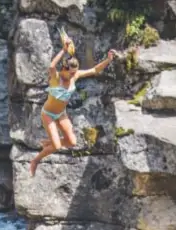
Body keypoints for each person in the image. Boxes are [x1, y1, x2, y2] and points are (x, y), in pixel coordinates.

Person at [30, 39, 116, 176]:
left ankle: (49, 142)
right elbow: (52, 66)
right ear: (64, 69)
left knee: (72, 142)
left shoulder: (74, 76)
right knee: (57, 146)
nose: (73, 75)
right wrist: (64, 50)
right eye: (71, 72)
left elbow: (94, 70)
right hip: (48, 114)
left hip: (61, 113)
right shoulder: (56, 78)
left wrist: (108, 60)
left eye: (74, 72)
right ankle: (35, 161)